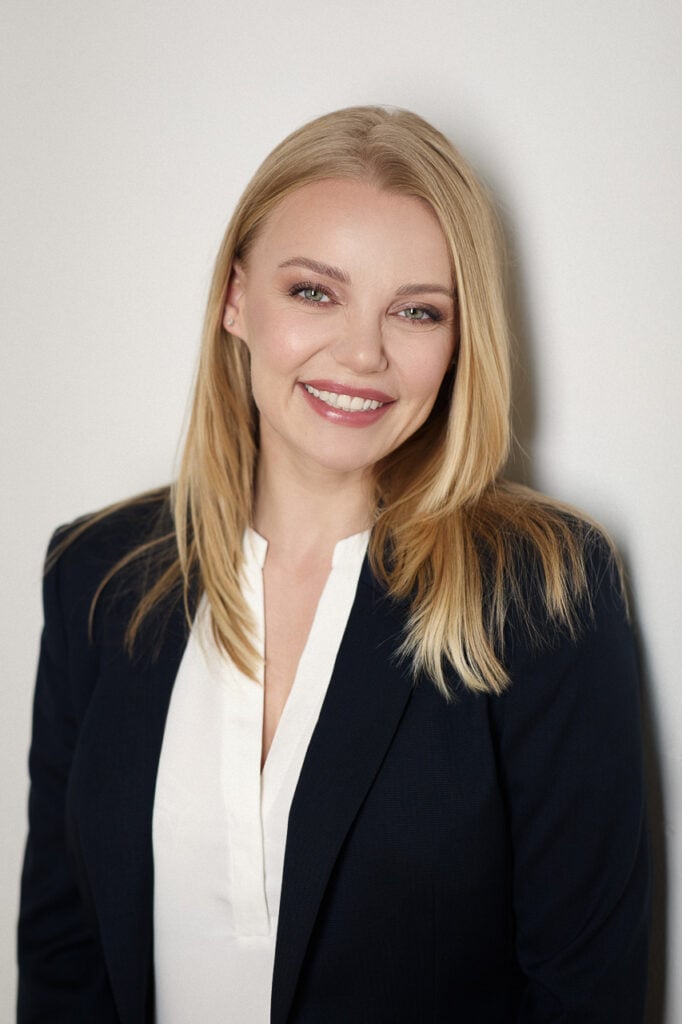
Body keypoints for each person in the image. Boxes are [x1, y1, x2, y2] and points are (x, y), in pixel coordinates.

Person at [17, 106, 650, 1023]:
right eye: (315, 291)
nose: (362, 353)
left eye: (417, 310)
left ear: (460, 337)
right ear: (236, 298)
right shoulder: (98, 575)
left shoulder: (542, 590)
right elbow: (62, 958)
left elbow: (583, 990)